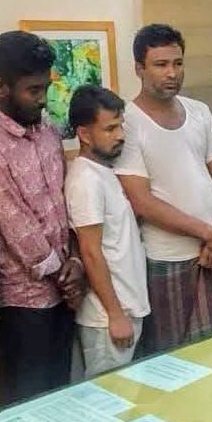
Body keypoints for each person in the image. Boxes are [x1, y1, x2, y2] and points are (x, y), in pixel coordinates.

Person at [0, 31, 83, 404]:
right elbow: (18, 228)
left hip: (67, 289)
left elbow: (64, 203)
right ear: (1, 86)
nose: (42, 98)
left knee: (62, 396)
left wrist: (77, 261)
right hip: (24, 303)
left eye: (46, 87)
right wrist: (64, 277)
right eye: (33, 90)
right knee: (29, 406)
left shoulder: (48, 131)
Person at [115, 25, 212, 353]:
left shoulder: (199, 111)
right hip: (168, 257)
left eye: (178, 63)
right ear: (139, 68)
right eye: (161, 64)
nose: (172, 73)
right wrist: (208, 233)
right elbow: (141, 201)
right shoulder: (127, 122)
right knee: (174, 358)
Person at [66, 85, 151, 376]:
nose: (120, 135)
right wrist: (115, 315)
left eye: (120, 126)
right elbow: (91, 252)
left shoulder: (104, 172)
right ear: (84, 134)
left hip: (125, 310)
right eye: (110, 128)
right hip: (107, 319)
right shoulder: (86, 180)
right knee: (105, 398)